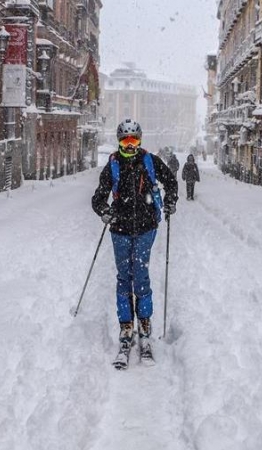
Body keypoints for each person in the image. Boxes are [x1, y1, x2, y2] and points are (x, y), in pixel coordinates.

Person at [92, 119, 178, 368]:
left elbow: (171, 182)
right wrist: (104, 210)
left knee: (140, 274)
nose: (130, 146)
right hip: (119, 229)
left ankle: (145, 320)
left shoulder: (149, 161)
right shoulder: (113, 166)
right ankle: (126, 323)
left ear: (140, 140)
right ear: (119, 141)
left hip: (145, 228)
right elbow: (98, 197)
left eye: (134, 141)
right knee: (123, 276)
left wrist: (171, 200)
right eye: (125, 141)